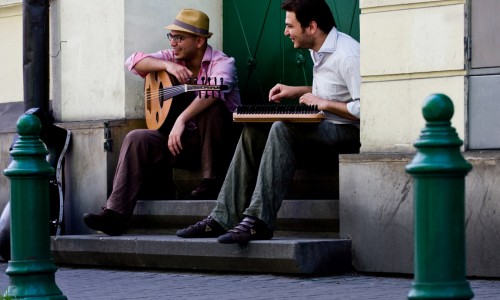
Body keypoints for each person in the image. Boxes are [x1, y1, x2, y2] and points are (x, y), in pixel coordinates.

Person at [176, 0, 361, 244]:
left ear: (312, 27)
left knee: (282, 129)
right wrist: (296, 91)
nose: (285, 32)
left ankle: (258, 221)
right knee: (254, 130)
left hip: (347, 133)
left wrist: (324, 104)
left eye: (290, 26)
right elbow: (335, 89)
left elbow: (366, 109)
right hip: (323, 129)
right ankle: (222, 217)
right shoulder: (318, 48)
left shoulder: (347, 54)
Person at [83, 8, 241, 236]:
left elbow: (215, 91)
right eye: (171, 37)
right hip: (183, 144)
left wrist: (181, 119)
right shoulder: (172, 58)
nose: (173, 43)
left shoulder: (223, 62)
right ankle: (115, 214)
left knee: (212, 108)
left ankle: (211, 182)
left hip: (221, 146)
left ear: (199, 41)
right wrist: (167, 66)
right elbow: (133, 62)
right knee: (137, 137)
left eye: (179, 37)